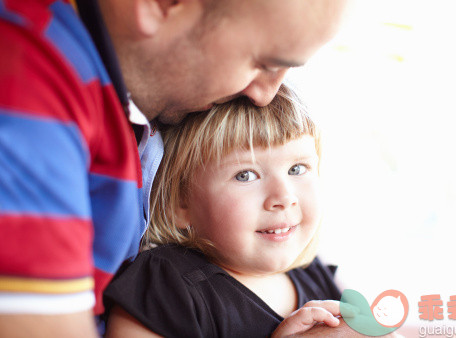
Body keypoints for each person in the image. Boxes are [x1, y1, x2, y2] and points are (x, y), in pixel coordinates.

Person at [0, 0, 343, 336]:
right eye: (261, 63)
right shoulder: (26, 90)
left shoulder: (133, 112)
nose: (266, 95)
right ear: (161, 4)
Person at [102, 84, 344, 337]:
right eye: (246, 175)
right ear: (181, 203)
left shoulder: (317, 275)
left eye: (297, 169)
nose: (284, 197)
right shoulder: (166, 285)